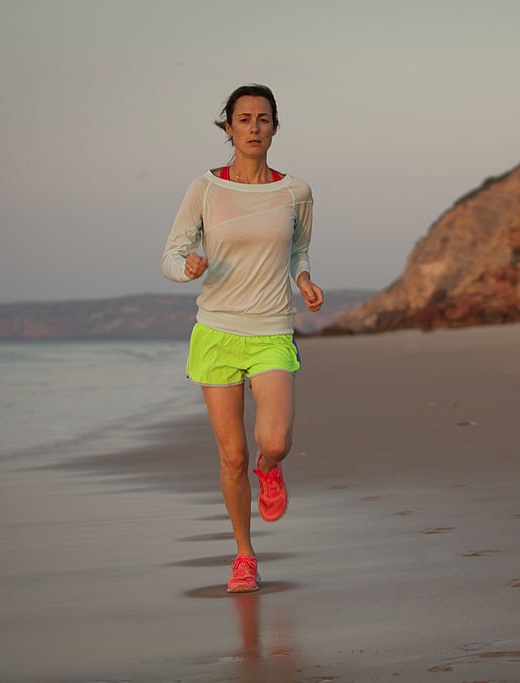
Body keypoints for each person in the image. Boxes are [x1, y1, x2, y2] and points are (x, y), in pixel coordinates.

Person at [161, 84, 323, 593]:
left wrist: (303, 281)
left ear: (275, 127)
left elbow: (299, 250)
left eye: (263, 119)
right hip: (216, 332)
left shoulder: (295, 191)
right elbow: (170, 255)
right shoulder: (205, 189)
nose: (254, 128)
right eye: (244, 119)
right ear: (227, 127)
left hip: (272, 328)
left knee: (273, 440)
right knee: (230, 457)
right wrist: (186, 268)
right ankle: (244, 556)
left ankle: (269, 468)